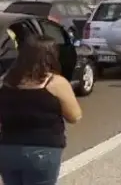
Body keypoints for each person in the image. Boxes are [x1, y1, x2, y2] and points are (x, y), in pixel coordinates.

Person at [0, 35, 83, 185]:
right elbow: (75, 116)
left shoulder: (6, 81)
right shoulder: (55, 83)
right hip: (43, 149)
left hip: (8, 149)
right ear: (52, 55)